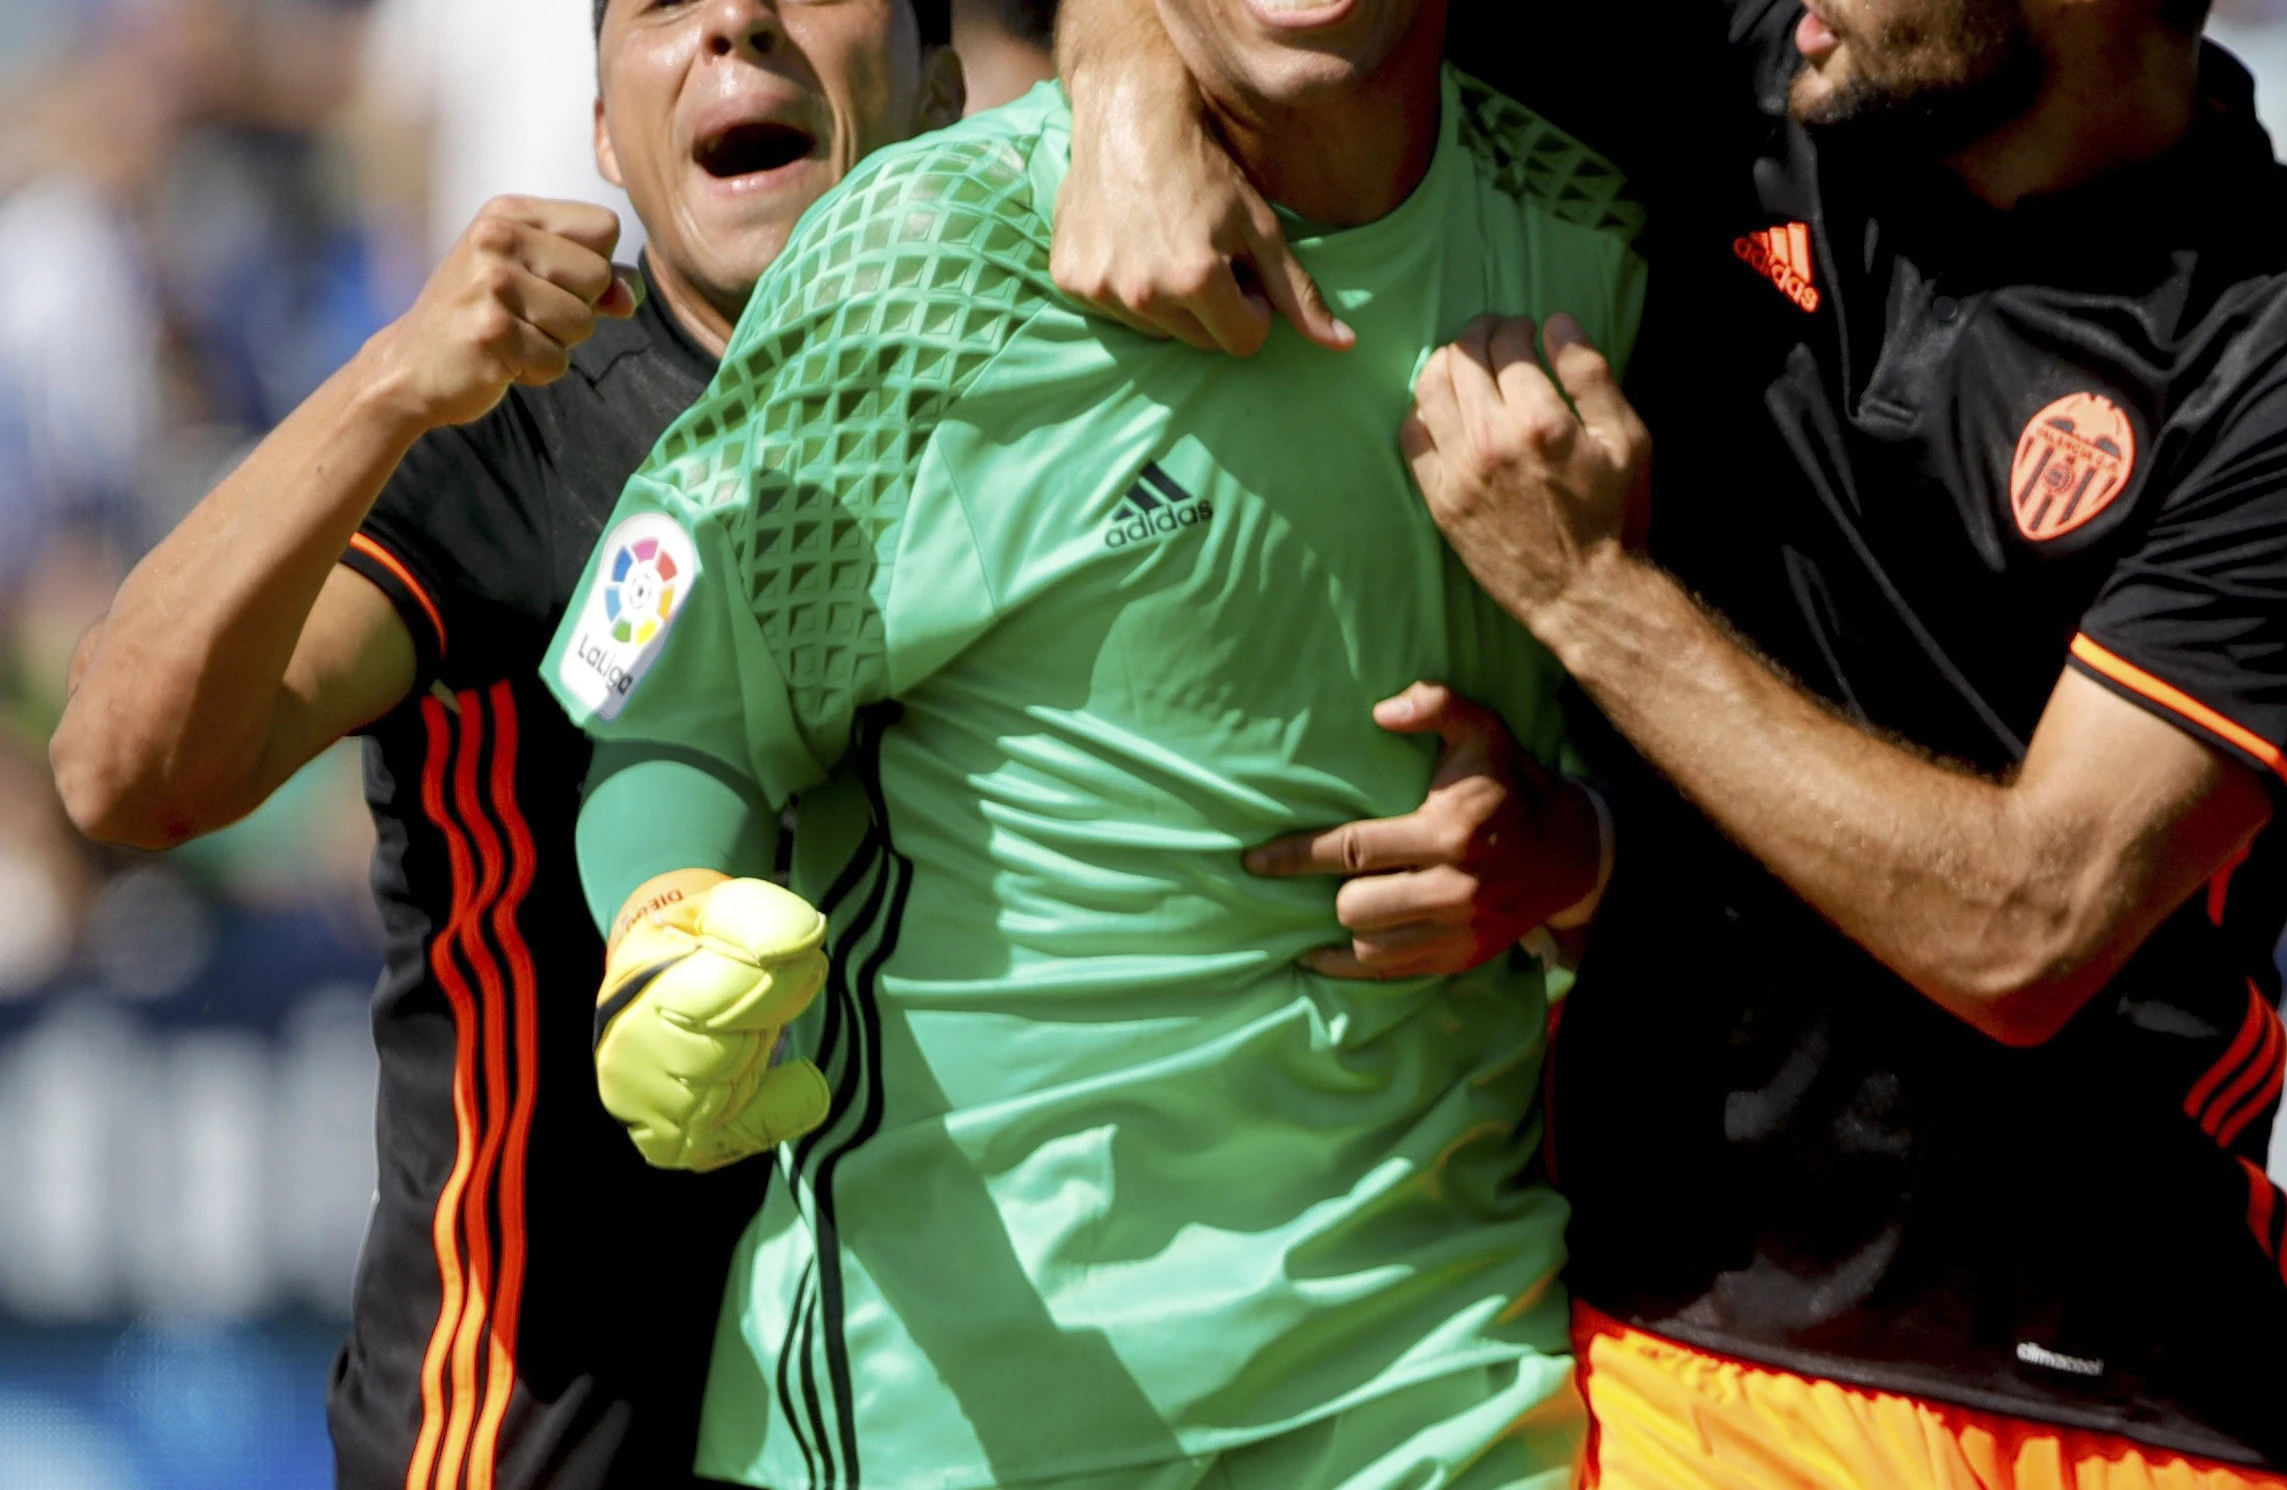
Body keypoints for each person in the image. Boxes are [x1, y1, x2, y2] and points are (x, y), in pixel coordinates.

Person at [1051, 0, 2287, 1485]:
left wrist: (1592, 599)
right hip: (1683, 1354)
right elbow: (1294, 18)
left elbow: (2029, 920)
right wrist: (1129, 80)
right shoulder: (1737, 75)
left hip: (2128, 1399)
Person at [536, 0, 1639, 1483]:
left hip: (1440, 1392)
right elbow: (687, 709)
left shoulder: (1606, 237)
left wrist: (1579, 845)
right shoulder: (919, 255)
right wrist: (663, 918)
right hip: (953, 1408)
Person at [50, 1, 965, 1484]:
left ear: (944, 87)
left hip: (940, 1423)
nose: (738, 17)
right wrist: (390, 380)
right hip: (542, 1437)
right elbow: (123, 768)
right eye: (665, 1)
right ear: (605, 131)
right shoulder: (512, 434)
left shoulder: (1069, 420)